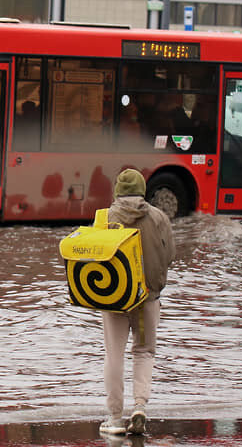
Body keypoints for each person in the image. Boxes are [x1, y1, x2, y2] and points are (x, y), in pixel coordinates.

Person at [98, 168, 176, 436]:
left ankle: (115, 418)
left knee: (114, 354)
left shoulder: (105, 218)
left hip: (115, 299)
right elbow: (170, 255)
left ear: (117, 191)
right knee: (143, 352)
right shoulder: (159, 217)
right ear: (143, 190)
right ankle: (140, 406)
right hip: (147, 298)